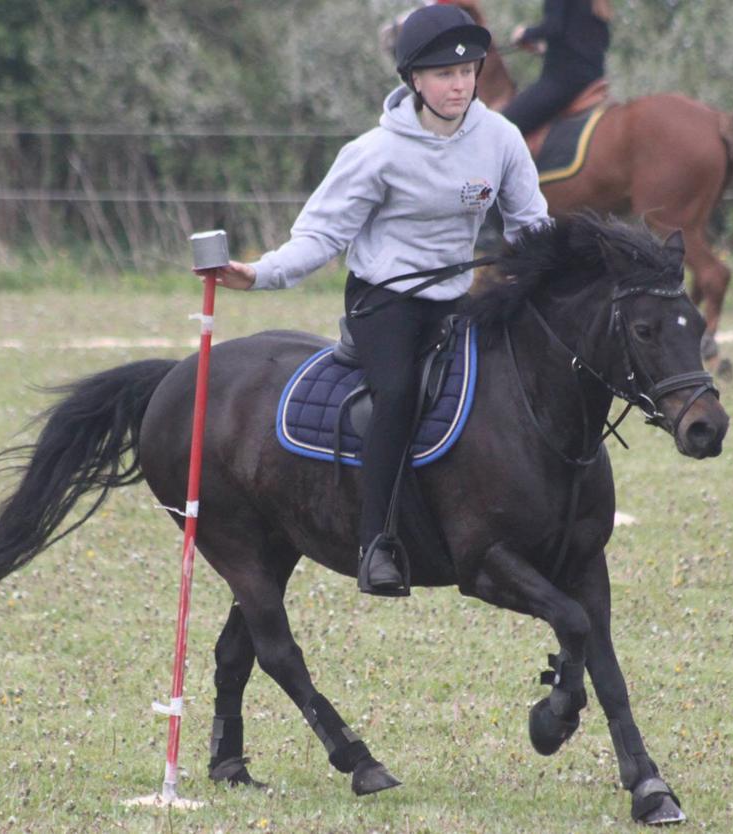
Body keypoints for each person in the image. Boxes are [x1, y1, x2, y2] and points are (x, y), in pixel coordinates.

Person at [198, 4, 550, 596]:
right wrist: (257, 274)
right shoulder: (374, 153)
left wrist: (561, 273)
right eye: (444, 74)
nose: (459, 84)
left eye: (468, 71)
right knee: (400, 393)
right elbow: (319, 237)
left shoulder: (501, 138)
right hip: (384, 301)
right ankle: (376, 542)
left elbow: (532, 226)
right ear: (413, 79)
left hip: (456, 298)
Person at [503, 0, 612, 135]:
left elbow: (553, 27)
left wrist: (525, 33)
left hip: (563, 80)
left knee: (502, 126)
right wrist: (546, 50)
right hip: (593, 78)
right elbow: (602, 40)